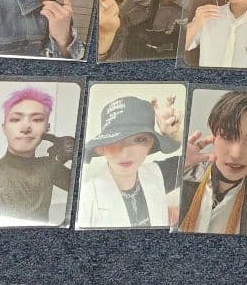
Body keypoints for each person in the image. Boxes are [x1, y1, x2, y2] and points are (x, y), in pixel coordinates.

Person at [0, 87, 77, 225]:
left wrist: (78, 152)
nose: (25, 128)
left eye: (37, 120)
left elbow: (86, 190)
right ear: (4, 128)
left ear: (46, 128)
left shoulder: (48, 166)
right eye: (16, 119)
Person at [177, 91, 247, 235]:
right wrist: (171, 171)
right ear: (214, 136)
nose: (236, 154)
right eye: (228, 136)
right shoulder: (181, 176)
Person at [76, 95, 184, 228]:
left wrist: (174, 133)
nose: (125, 153)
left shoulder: (157, 173)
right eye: (114, 140)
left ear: (151, 144)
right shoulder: (85, 197)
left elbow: (189, 160)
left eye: (139, 140)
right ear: (101, 148)